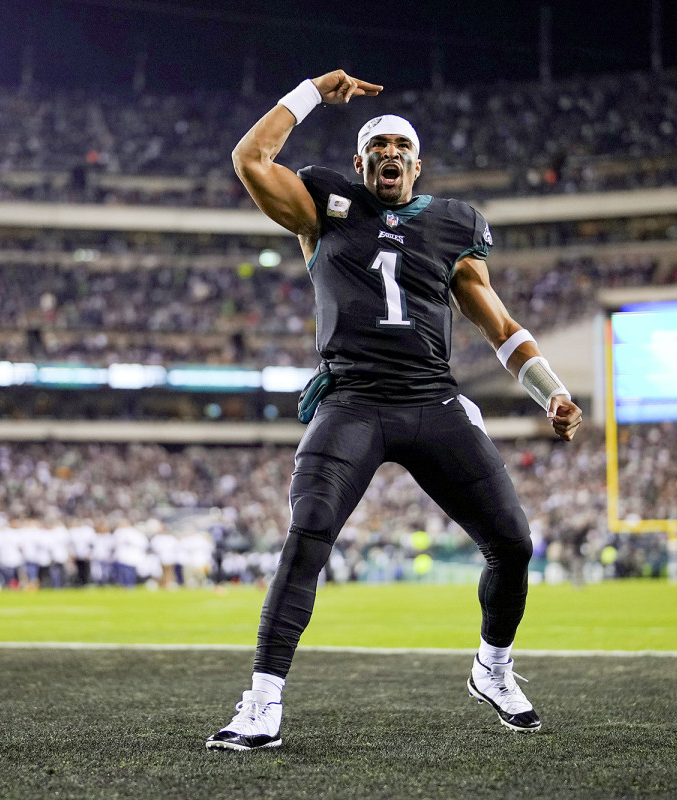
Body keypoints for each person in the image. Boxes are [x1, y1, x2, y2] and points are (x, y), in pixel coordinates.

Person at [206, 70, 583, 752]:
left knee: (513, 542)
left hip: (432, 399)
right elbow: (250, 160)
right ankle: (262, 702)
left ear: (417, 164)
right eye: (377, 146)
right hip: (352, 398)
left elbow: (499, 326)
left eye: (401, 148)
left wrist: (549, 388)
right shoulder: (323, 205)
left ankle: (492, 669)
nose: (390, 154)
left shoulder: (452, 226)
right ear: (360, 163)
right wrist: (312, 92)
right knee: (309, 530)